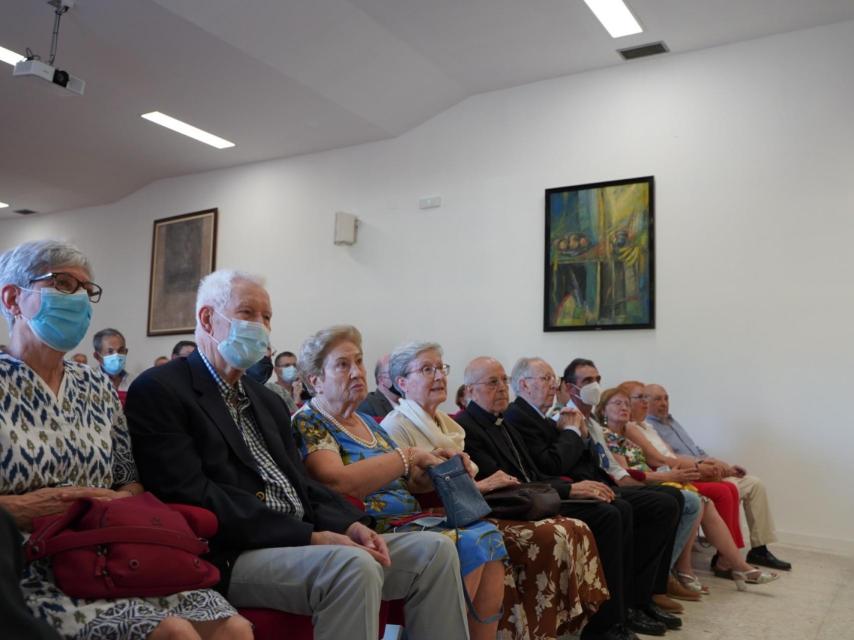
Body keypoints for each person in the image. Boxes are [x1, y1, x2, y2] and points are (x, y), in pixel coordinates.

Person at [125, 271, 469, 640]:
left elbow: (301, 483)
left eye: (267, 317)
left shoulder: (266, 400)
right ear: (208, 319)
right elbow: (189, 493)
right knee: (352, 566)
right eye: (248, 313)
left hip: (300, 536)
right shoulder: (161, 389)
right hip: (233, 550)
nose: (261, 327)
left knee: (434, 552)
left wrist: (349, 524)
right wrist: (307, 536)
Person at [0, 240, 249, 640]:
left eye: (87, 290)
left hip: (108, 549)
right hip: (29, 562)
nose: (80, 298)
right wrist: (27, 507)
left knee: (232, 628)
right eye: (63, 284)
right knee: (173, 633)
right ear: (13, 298)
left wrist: (119, 499)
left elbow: (128, 476)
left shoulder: (95, 386)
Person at [381, 341, 610, 639]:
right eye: (427, 369)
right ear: (402, 383)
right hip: (429, 516)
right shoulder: (396, 425)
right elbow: (414, 491)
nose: (438, 376)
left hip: (466, 511)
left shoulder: (448, 425)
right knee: (544, 535)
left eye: (440, 368)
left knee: (573, 526)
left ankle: (558, 629)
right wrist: (486, 484)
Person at [292, 326, 506, 640]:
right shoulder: (310, 420)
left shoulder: (366, 422)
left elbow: (411, 482)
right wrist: (406, 456)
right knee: (468, 541)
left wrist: (439, 463)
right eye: (343, 365)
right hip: (368, 526)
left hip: (408, 517)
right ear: (315, 380)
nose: (357, 372)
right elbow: (335, 482)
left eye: (360, 362)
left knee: (488, 536)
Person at [460, 356, 681, 640]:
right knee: (610, 514)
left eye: (503, 380)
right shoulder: (471, 427)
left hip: (535, 496)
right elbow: (511, 483)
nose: (503, 387)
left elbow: (534, 473)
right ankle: (604, 626)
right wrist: (570, 489)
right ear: (469, 391)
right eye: (493, 382)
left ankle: (625, 609)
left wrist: (572, 484)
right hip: (513, 505)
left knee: (627, 507)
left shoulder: (504, 423)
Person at [597, 387, 778, 592]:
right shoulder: (607, 435)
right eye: (620, 403)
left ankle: (737, 566)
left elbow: (666, 456)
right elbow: (626, 474)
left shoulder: (631, 431)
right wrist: (676, 473)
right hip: (641, 483)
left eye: (626, 404)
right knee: (697, 499)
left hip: (661, 474)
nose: (626, 407)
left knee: (707, 499)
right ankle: (678, 570)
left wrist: (701, 466)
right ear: (603, 410)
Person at [644, 383, 792, 572]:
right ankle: (726, 556)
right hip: (693, 474)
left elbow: (696, 450)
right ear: (644, 401)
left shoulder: (672, 422)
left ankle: (759, 549)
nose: (664, 403)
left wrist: (724, 467)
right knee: (731, 488)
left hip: (707, 469)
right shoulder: (648, 427)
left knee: (755, 484)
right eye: (657, 399)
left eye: (666, 398)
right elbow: (671, 459)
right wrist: (708, 466)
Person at [617, 381, 746, 569]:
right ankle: (704, 564)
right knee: (715, 493)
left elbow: (672, 454)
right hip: (663, 473)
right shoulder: (628, 428)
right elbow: (658, 461)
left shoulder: (649, 426)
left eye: (664, 398)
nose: (646, 403)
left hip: (674, 469)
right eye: (641, 398)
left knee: (729, 487)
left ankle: (732, 557)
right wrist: (697, 467)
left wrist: (705, 463)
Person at [92, 327, 133, 404]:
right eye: (110, 351)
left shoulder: (135, 382)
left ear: (126, 352)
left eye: (121, 350)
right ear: (97, 356)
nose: (116, 355)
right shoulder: (90, 381)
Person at [266, 350, 302, 414]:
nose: (292, 368)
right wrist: (297, 401)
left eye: (294, 365)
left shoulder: (305, 392)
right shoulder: (270, 391)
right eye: (287, 365)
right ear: (276, 370)